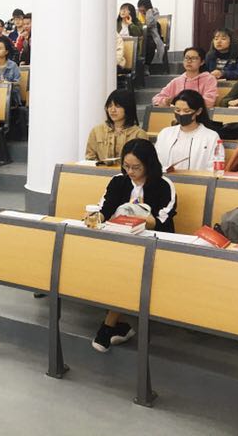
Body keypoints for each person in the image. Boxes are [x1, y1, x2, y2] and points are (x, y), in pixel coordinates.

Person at [92, 138, 176, 353]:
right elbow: (105, 209)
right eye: (126, 166)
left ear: (148, 164)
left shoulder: (164, 185)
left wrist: (135, 217)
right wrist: (95, 218)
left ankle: (108, 326)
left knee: (128, 268)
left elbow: (163, 221)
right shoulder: (118, 181)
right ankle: (119, 325)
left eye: (136, 167)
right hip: (121, 240)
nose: (130, 171)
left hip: (153, 243)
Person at [154, 89, 220, 171]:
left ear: (198, 111)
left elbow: (214, 167)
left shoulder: (211, 137)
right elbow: (155, 161)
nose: (181, 114)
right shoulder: (165, 133)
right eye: (177, 110)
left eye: (187, 111)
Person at [84, 90, 148, 162]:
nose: (112, 110)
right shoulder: (96, 131)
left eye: (118, 106)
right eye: (110, 106)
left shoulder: (139, 134)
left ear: (128, 108)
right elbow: (90, 158)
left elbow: (142, 162)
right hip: (100, 169)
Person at [151, 47, 217, 108]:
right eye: (186, 58)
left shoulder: (209, 79)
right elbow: (156, 99)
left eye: (193, 58)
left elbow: (209, 102)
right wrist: (166, 101)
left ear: (202, 62)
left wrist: (184, 104)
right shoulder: (177, 81)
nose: (189, 61)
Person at [137, 0, 166, 66]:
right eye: (139, 7)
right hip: (140, 34)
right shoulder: (137, 14)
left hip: (152, 35)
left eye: (141, 7)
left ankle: (146, 65)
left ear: (147, 6)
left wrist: (148, 12)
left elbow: (149, 24)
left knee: (150, 44)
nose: (140, 9)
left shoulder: (153, 12)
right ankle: (138, 64)